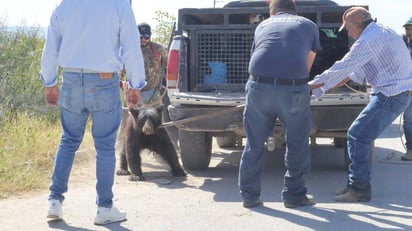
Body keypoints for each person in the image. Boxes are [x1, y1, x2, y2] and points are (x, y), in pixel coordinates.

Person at [40, 0, 146, 225]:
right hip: (104, 82)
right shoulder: (119, 5)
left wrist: (49, 82)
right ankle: (104, 208)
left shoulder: (64, 6)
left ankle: (54, 202)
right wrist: (136, 85)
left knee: (68, 140)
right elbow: (131, 47)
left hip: (70, 80)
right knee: (105, 146)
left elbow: (50, 47)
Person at [309, 7, 412, 202]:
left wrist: (309, 86)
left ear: (355, 26)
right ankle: (355, 185)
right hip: (394, 93)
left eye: (347, 29)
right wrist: (325, 84)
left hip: (391, 94)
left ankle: (359, 189)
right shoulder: (382, 31)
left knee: (357, 135)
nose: (348, 33)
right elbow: (349, 73)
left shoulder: (367, 40)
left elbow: (342, 67)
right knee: (358, 135)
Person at [238, 0, 320, 208]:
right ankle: (294, 197)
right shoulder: (309, 25)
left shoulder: (262, 25)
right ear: (294, 9)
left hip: (258, 87)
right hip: (292, 90)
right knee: (297, 144)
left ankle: (249, 197)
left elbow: (259, 55)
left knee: (254, 144)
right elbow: (307, 63)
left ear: (272, 11)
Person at [117, 22, 175, 166]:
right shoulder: (127, 51)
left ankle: (165, 156)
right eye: (140, 37)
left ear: (150, 36)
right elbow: (118, 71)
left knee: (158, 126)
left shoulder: (159, 49)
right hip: (133, 95)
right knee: (127, 128)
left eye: (146, 37)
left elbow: (170, 66)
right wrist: (121, 82)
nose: (143, 39)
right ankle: (123, 160)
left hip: (154, 94)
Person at [401, 17, 412, 161]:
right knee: (408, 119)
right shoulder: (402, 45)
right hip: (407, 88)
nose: (409, 32)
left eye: (411, 29)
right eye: (407, 29)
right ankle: (411, 149)